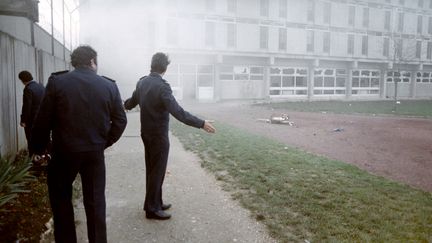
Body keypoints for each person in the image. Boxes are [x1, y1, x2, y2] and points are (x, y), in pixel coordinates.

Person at [31, 45, 127, 243]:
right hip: (94, 153)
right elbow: (120, 120)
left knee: (61, 200)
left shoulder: (58, 82)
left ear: (74, 63)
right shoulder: (109, 85)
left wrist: (38, 149)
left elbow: (43, 119)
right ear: (93, 61)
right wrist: (104, 142)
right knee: (95, 203)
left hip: (64, 153)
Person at [124, 52, 216, 220]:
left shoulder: (142, 82)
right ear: (165, 69)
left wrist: (123, 105)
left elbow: (131, 102)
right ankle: (152, 209)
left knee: (153, 170)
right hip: (158, 137)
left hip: (146, 134)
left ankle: (155, 202)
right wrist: (201, 123)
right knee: (157, 171)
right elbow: (178, 112)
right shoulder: (162, 87)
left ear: (151, 65)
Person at [18, 70, 45, 157]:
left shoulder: (28, 89)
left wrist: (23, 120)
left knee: (31, 140)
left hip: (32, 120)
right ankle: (41, 157)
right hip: (43, 118)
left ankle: (33, 160)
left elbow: (27, 106)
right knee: (41, 139)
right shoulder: (41, 86)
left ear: (22, 80)